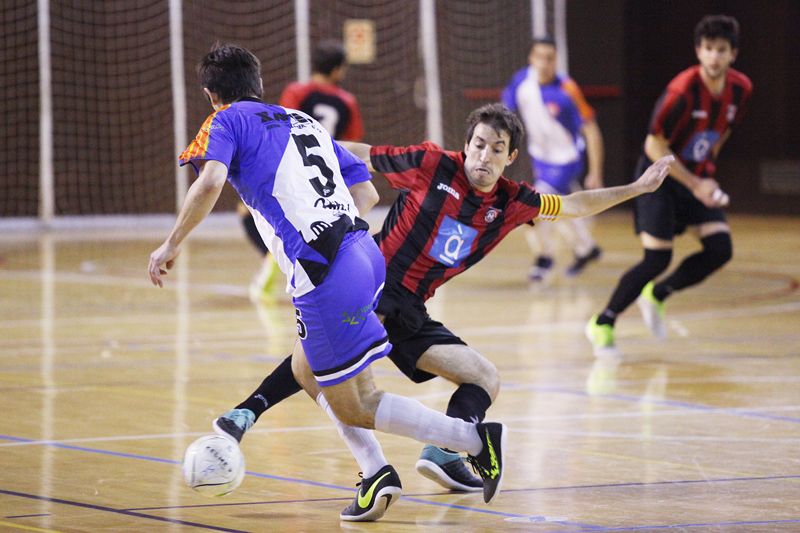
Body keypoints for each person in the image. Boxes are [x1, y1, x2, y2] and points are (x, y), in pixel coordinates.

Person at [211, 102, 673, 520]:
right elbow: (363, 153)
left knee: (484, 378)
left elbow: (572, 205)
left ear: (510, 158)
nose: (484, 157)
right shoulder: (432, 164)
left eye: (497, 150)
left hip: (411, 309)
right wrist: (297, 148)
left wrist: (638, 187)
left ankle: (442, 451)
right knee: (317, 370)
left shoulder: (514, 201)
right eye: (477, 145)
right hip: (372, 284)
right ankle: (250, 416)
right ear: (465, 144)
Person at [148, 43, 510, 522]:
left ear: (212, 95)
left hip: (323, 272)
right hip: (363, 252)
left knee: (359, 403)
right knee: (306, 369)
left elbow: (210, 181)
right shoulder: (303, 121)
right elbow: (366, 190)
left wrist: (171, 244)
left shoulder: (226, 121)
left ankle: (469, 439)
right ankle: (375, 471)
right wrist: (332, 233)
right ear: (259, 86)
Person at [585, 15, 752, 357]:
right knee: (656, 259)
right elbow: (653, 145)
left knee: (720, 248)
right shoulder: (682, 91)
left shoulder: (741, 89)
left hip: (693, 177)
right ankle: (603, 322)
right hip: (658, 178)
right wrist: (695, 182)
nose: (714, 57)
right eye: (708, 49)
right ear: (698, 51)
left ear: (733, 53)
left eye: (721, 50)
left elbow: (723, 131)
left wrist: (707, 173)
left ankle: (658, 295)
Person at [244, 40, 365, 301]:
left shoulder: (297, 91)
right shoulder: (347, 100)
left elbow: (281, 127)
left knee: (255, 213)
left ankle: (275, 262)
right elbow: (352, 142)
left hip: (296, 168)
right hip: (329, 172)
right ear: (337, 70)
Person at [502, 36, 605, 282]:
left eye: (550, 58)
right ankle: (586, 248)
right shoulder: (522, 82)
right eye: (540, 57)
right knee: (563, 207)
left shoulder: (566, 90)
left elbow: (591, 131)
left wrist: (596, 172)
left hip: (566, 159)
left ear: (556, 60)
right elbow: (505, 113)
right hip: (541, 158)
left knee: (534, 208)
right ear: (531, 58)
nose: (545, 63)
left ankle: (544, 257)